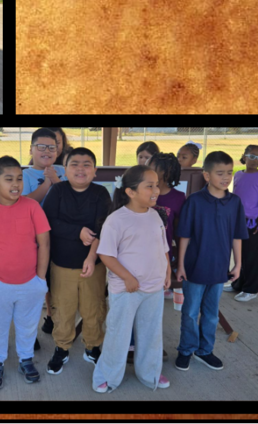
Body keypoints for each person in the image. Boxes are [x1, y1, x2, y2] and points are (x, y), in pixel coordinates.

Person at [91, 165, 172, 393]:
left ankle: (150, 373)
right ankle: (107, 375)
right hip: (126, 289)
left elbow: (162, 247)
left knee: (151, 333)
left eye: (156, 184)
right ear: (130, 191)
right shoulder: (117, 220)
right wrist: (127, 277)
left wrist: (166, 272)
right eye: (149, 186)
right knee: (119, 334)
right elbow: (105, 253)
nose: (156, 190)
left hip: (153, 287)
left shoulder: (155, 214)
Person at [0, 156, 51, 390]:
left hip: (30, 282)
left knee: (27, 325)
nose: (15, 184)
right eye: (9, 179)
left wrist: (40, 279)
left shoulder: (32, 207)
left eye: (19, 178)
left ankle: (25, 359)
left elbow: (44, 244)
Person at [175, 151, 248, 372]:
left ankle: (205, 350)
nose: (226, 177)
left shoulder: (235, 202)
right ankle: (186, 349)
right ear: (207, 176)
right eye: (220, 173)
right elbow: (184, 235)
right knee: (189, 312)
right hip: (194, 268)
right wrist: (180, 265)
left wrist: (238, 263)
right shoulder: (194, 201)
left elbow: (237, 235)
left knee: (211, 314)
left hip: (219, 270)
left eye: (229, 172)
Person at [41, 148, 112, 374]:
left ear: (95, 171)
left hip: (94, 266)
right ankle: (62, 348)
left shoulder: (101, 193)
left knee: (94, 309)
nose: (80, 169)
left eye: (86, 164)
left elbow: (103, 229)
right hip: (62, 265)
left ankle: (92, 347)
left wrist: (92, 257)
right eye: (74, 164)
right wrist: (77, 231)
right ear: (65, 170)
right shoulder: (58, 191)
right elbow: (49, 222)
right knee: (63, 310)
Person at [22, 128, 66, 347]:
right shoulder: (24, 175)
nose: (47, 151)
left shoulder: (64, 171)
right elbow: (26, 203)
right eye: (41, 147)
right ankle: (30, 335)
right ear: (31, 149)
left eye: (52, 147)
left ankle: (53, 319)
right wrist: (48, 183)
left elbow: (70, 199)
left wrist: (56, 178)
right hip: (34, 241)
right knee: (35, 285)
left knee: (54, 281)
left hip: (61, 238)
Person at [225, 145, 258, 301]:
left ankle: (251, 289)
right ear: (244, 156)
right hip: (238, 220)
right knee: (239, 254)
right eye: (252, 156)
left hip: (253, 223)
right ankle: (238, 284)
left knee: (252, 256)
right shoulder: (238, 174)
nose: (256, 160)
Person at [150, 152, 186, 300]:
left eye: (152, 169)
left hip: (162, 258)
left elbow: (179, 232)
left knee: (153, 300)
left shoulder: (178, 198)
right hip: (136, 254)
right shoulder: (141, 193)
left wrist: (179, 261)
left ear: (166, 173)